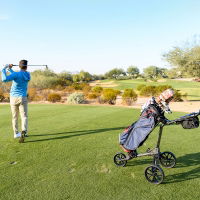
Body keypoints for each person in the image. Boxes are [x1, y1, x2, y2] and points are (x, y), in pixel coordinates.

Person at [119, 89, 174, 159]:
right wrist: (159, 117)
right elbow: (151, 109)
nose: (169, 100)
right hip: (145, 121)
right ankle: (129, 150)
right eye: (169, 98)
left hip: (149, 123)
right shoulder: (152, 101)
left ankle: (131, 150)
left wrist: (163, 119)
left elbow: (162, 112)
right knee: (138, 134)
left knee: (142, 136)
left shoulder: (161, 103)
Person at [1, 60, 31, 142]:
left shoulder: (16, 74)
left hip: (13, 98)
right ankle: (24, 131)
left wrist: (4, 69)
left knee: (15, 117)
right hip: (23, 97)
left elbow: (4, 79)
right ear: (26, 66)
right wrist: (10, 69)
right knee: (24, 116)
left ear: (19, 66)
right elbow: (18, 75)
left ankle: (16, 133)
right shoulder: (28, 74)